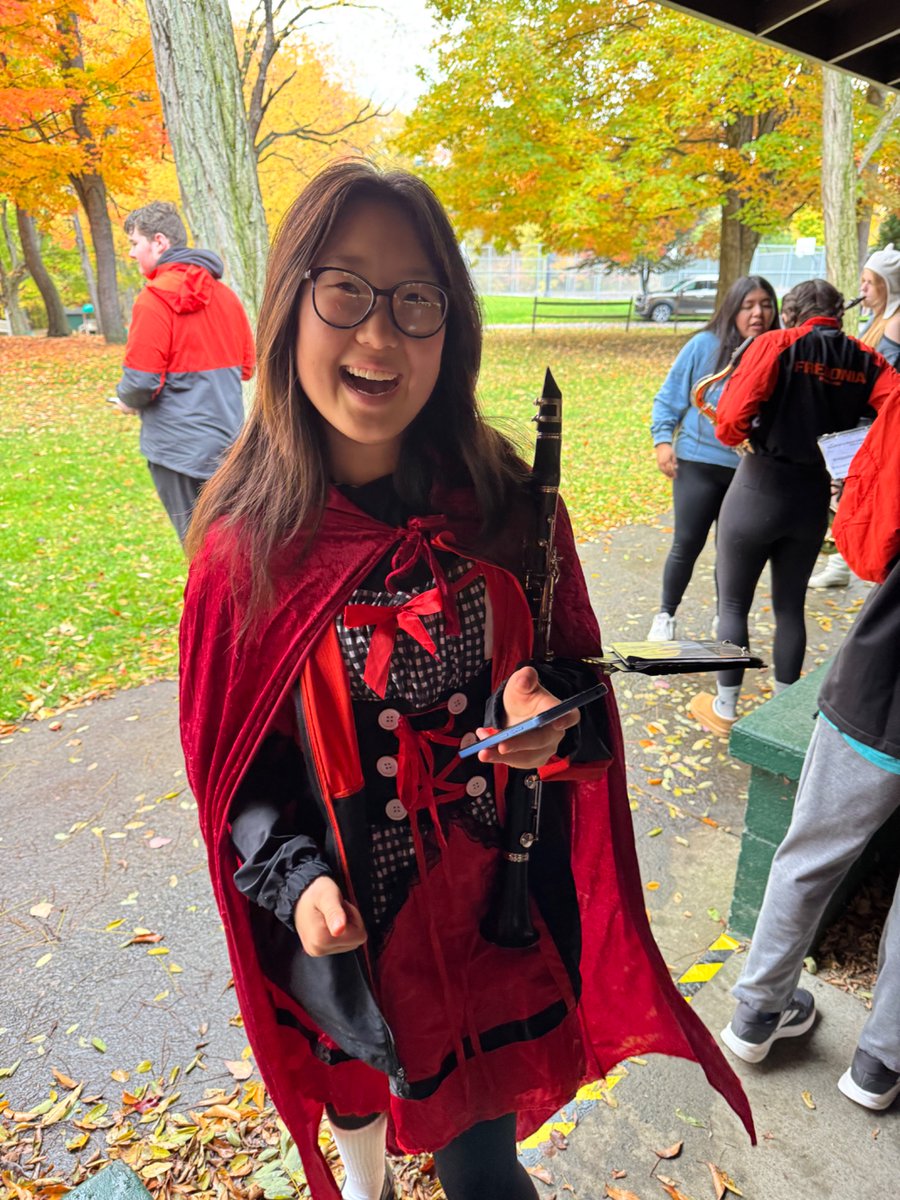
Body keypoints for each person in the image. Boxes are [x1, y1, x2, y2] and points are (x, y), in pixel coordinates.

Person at [178, 161, 753, 1200]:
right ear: (289, 303)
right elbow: (234, 773)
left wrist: (547, 720)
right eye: (344, 288)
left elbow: (575, 687)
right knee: (352, 1086)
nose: (379, 336)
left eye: (416, 299)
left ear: (453, 322)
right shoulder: (243, 548)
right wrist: (298, 878)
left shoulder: (509, 505)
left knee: (483, 1166)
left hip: (487, 918)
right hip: (338, 930)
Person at [719, 377, 900, 1111]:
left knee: (811, 849)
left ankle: (757, 1012)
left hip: (885, 676)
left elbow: (863, 542)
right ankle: (881, 1064)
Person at [689, 280, 899, 737]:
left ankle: (726, 709)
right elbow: (892, 411)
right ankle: (782, 715)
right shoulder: (868, 359)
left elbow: (729, 427)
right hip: (811, 498)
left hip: (758, 487)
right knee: (790, 607)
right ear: (837, 315)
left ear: (791, 313)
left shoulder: (776, 344)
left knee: (733, 603)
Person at [112, 201, 255, 543]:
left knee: (199, 549)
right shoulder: (227, 297)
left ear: (159, 242)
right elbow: (247, 368)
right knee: (232, 546)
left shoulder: (153, 300)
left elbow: (141, 382)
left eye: (134, 243)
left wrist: (126, 400)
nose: (131, 254)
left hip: (177, 452)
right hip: (227, 446)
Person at [647, 276, 778, 640]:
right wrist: (662, 442)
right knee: (686, 543)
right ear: (732, 308)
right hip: (698, 464)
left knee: (733, 551)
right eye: (748, 305)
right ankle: (665, 615)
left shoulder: (777, 349)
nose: (757, 313)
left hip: (749, 470)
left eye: (766, 304)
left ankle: (728, 619)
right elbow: (669, 396)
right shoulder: (703, 345)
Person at [809, 241, 900, 589]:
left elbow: (881, 378)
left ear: (887, 285)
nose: (861, 289)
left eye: (869, 282)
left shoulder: (895, 323)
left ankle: (849, 561)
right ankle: (842, 561)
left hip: (874, 429)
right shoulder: (881, 319)